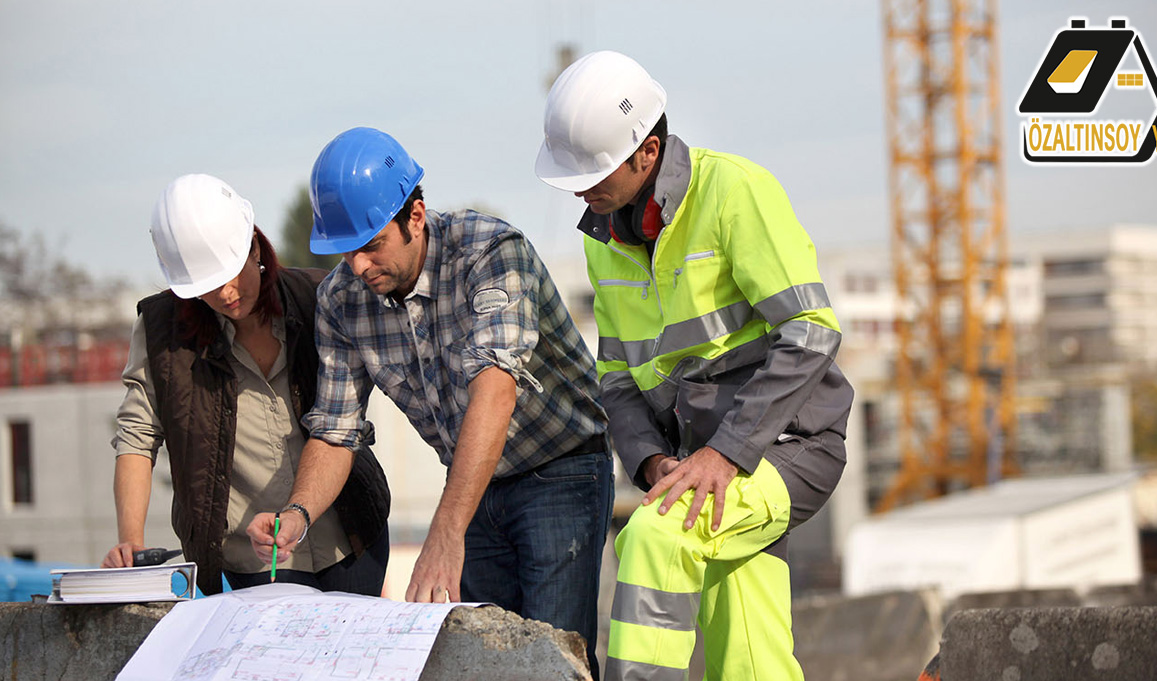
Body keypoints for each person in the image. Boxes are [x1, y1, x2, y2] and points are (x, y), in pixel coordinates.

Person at [245, 127, 612, 677]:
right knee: (489, 663)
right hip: (471, 486)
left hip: (560, 471)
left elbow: (495, 389)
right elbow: (335, 429)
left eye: (371, 247)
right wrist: (299, 513)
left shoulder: (490, 253)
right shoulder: (341, 301)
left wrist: (445, 529)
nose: (359, 268)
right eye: (346, 253)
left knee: (551, 658)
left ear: (414, 215)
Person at [537, 51, 854, 680]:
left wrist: (727, 453)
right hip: (702, 462)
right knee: (749, 653)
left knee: (656, 537)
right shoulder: (604, 242)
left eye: (595, 174)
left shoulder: (735, 192)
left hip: (788, 447)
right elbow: (619, 377)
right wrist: (651, 460)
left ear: (647, 154)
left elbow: (813, 331)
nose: (580, 190)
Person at [104, 173, 391, 597]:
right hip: (255, 558)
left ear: (255, 246)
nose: (226, 292)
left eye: (232, 272)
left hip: (350, 535)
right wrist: (130, 539)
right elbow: (137, 436)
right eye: (206, 286)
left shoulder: (318, 297)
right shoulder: (162, 332)